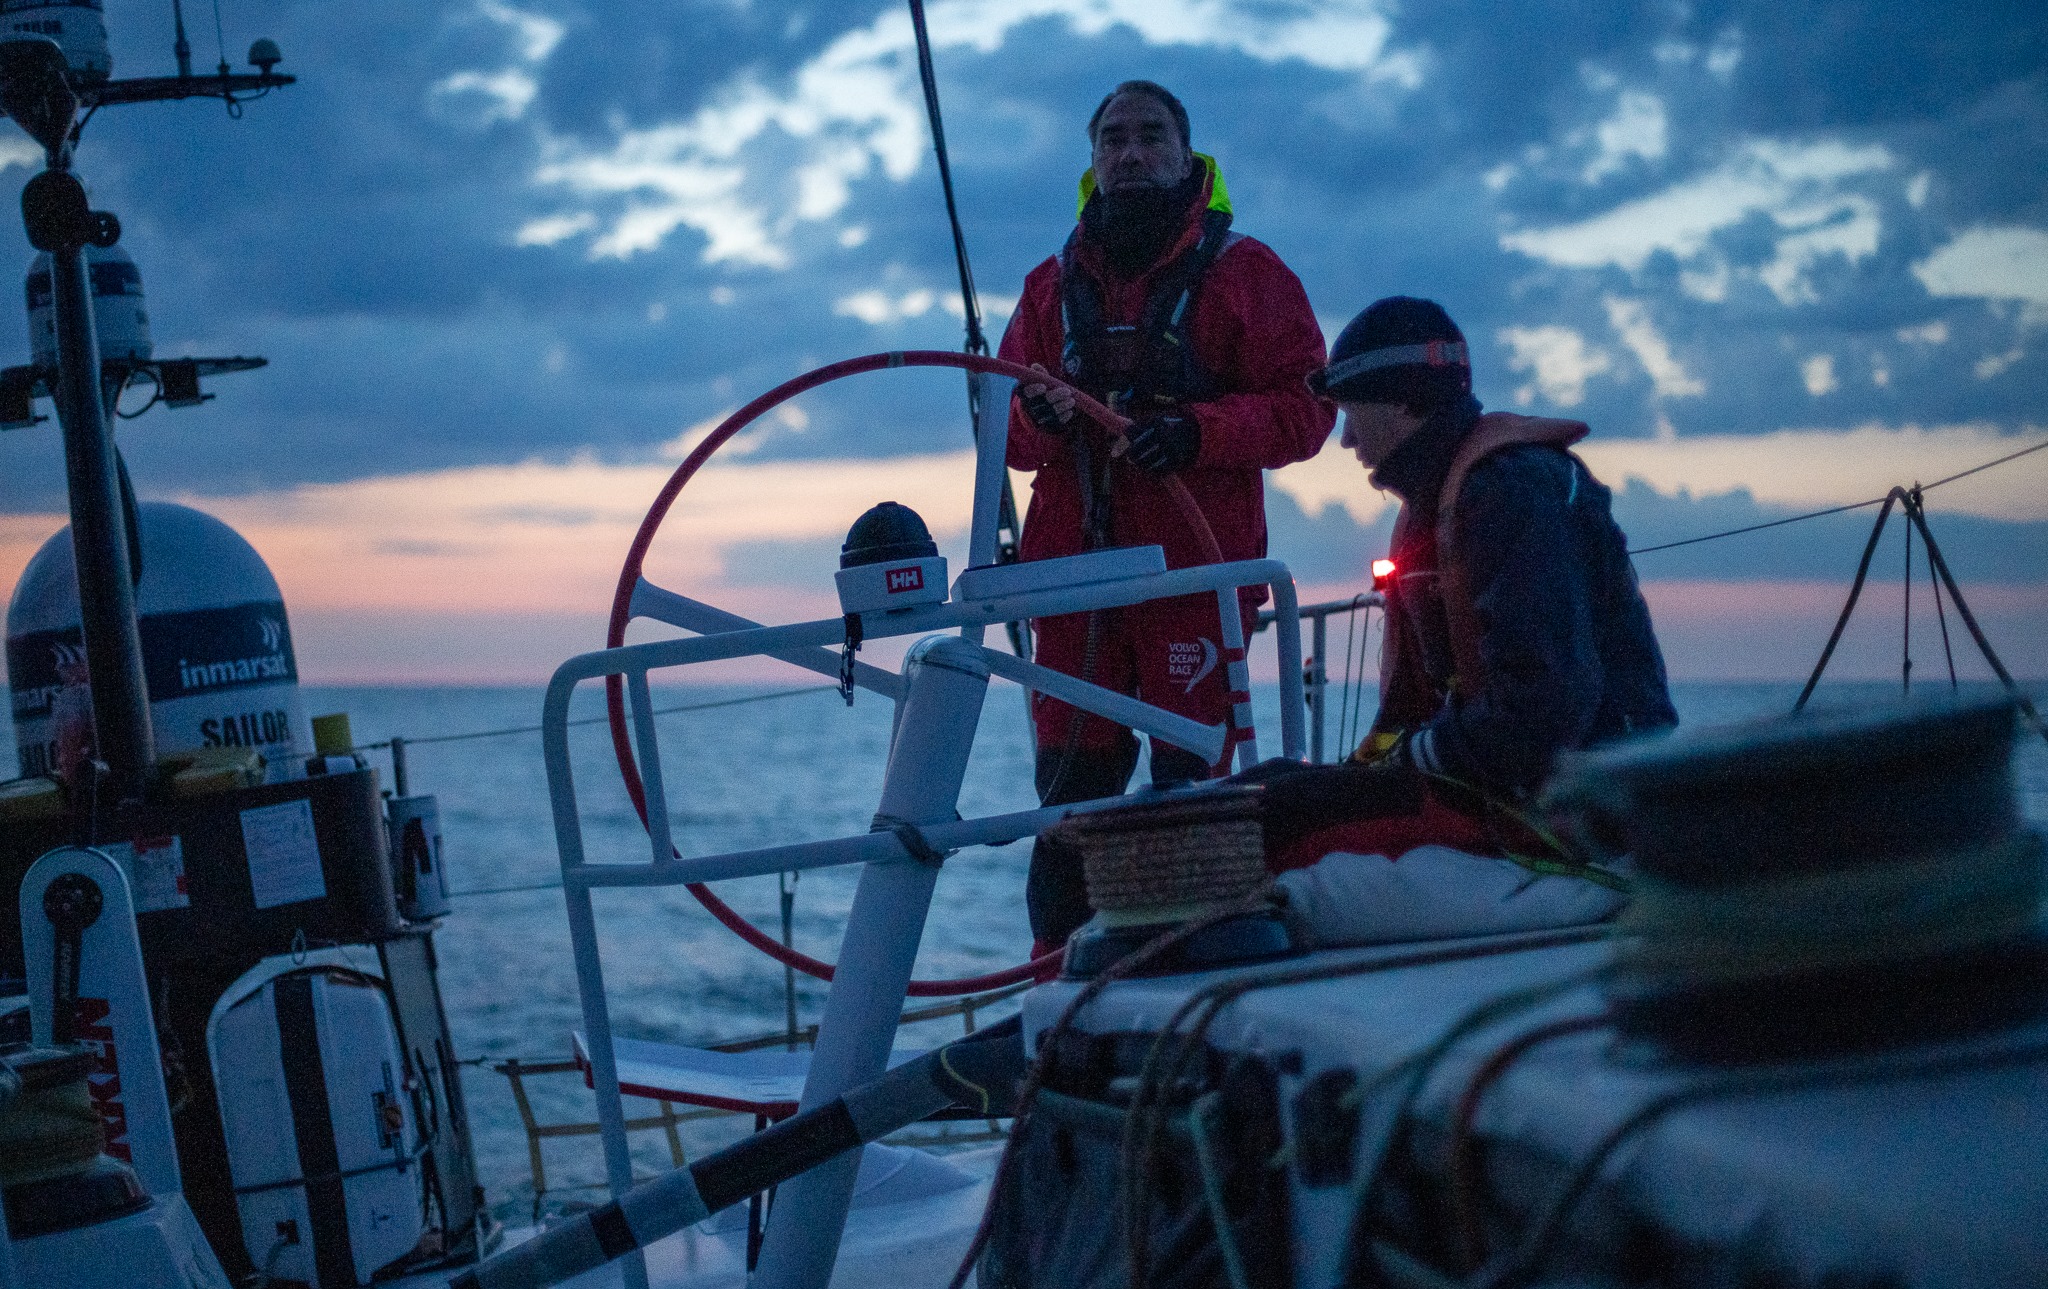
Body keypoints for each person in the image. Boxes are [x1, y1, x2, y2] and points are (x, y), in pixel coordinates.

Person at [1000, 80, 1333, 950]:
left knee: (1193, 801)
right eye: (1113, 138)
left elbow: (1307, 409)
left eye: (1151, 135)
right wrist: (1036, 414)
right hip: (1074, 588)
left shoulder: (1250, 275)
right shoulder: (1047, 288)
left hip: (1195, 578)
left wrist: (1196, 433)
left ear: (1189, 156)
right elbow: (1006, 438)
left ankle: (1191, 983)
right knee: (1068, 807)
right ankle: (1057, 988)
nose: (1131, 152)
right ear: (1092, 160)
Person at [1252, 295, 1678, 872]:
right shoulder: (1439, 506)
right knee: (1266, 788)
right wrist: (1367, 772)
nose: (1346, 440)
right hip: (1501, 783)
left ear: (1403, 403)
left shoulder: (1511, 493)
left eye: (1352, 412)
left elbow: (1543, 712)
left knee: (1278, 823)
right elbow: (1419, 712)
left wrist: (1406, 763)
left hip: (1585, 810)